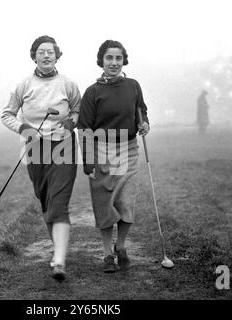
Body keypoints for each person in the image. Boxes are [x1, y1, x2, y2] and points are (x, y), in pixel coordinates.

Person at [1, 35, 81, 281]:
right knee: (46, 201)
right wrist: (25, 129)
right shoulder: (23, 85)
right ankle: (57, 251)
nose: (46, 55)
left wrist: (69, 122)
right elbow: (7, 114)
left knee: (59, 203)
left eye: (51, 52)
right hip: (35, 151)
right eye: (41, 51)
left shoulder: (68, 84)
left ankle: (59, 260)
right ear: (34, 56)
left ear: (57, 55)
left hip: (63, 148)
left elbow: (78, 110)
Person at [77, 40, 150, 273]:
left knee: (126, 201)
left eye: (118, 58)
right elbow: (84, 128)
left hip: (129, 148)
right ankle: (107, 254)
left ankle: (121, 246)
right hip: (101, 151)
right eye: (109, 58)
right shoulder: (92, 92)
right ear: (102, 60)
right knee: (105, 204)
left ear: (123, 60)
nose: (114, 63)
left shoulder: (133, 86)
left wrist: (145, 123)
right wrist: (88, 160)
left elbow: (141, 110)